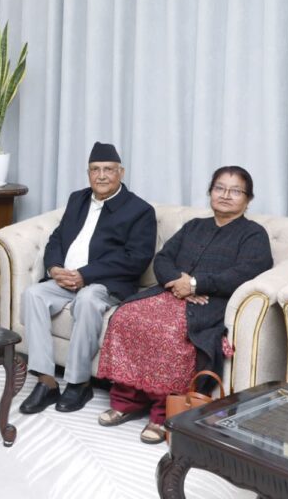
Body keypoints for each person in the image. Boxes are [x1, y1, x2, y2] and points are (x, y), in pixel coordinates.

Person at [96, 166, 273, 444]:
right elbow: (163, 258)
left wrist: (195, 284)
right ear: (210, 192)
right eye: (219, 188)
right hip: (170, 294)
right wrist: (179, 283)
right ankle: (127, 401)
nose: (226, 195)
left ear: (248, 199)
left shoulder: (253, 234)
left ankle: (162, 413)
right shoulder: (194, 226)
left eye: (235, 191)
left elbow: (246, 272)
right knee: (126, 316)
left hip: (209, 303)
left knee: (170, 331)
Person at [18, 142, 157, 416]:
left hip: (105, 283)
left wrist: (86, 275)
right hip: (65, 279)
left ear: (121, 172)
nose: (101, 176)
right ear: (88, 173)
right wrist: (54, 268)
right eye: (95, 170)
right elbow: (57, 238)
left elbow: (136, 259)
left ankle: (79, 383)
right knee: (33, 294)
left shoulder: (139, 210)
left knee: (87, 299)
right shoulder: (77, 199)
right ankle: (46, 381)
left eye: (108, 169)